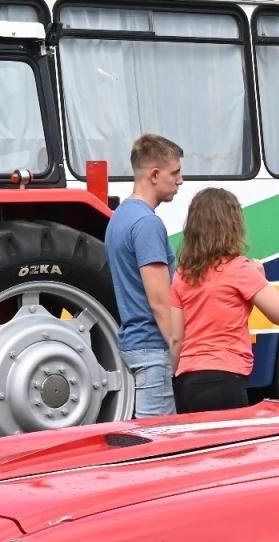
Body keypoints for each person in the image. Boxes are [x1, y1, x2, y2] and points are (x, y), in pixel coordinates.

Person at [169, 189, 279, 413]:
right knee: (231, 448)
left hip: (187, 382)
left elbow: (175, 337)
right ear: (232, 225)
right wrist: (260, 278)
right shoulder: (239, 269)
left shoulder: (182, 274)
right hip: (225, 380)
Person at [105, 133, 184, 416]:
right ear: (154, 174)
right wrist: (177, 357)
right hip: (154, 349)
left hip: (134, 345)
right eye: (174, 172)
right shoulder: (147, 223)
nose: (180, 181)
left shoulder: (120, 217)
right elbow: (160, 302)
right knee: (159, 444)